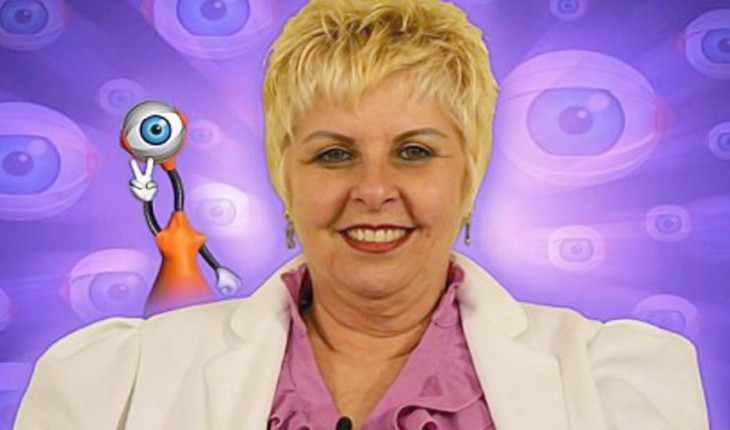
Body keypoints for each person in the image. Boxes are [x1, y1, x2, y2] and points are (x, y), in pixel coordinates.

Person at [15, 0, 709, 429]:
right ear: (283, 176)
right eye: (334, 154)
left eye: (414, 151)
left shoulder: (617, 384)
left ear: (469, 175)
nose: (373, 190)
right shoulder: (116, 386)